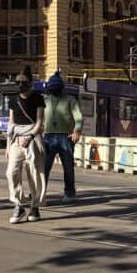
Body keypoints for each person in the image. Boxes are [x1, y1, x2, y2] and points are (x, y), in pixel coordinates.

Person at [6, 66, 46, 223]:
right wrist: (8, 145)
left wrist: (29, 137)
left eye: (23, 82)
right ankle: (18, 203)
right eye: (18, 82)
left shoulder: (38, 98)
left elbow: (39, 122)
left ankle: (34, 206)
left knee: (35, 173)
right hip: (16, 138)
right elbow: (11, 123)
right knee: (11, 172)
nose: (20, 85)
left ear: (31, 82)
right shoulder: (13, 100)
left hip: (33, 137)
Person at [40, 71, 82, 204]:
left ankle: (70, 193)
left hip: (66, 137)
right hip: (48, 137)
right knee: (44, 167)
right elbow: (39, 119)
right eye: (52, 88)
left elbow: (78, 117)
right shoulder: (44, 101)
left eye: (56, 88)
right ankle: (40, 193)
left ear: (61, 88)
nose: (54, 90)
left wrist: (77, 130)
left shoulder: (70, 100)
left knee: (68, 167)